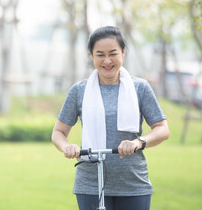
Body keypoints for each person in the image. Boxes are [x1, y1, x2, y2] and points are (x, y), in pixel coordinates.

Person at [51, 26, 169, 210]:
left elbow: (162, 129)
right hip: (90, 184)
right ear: (91, 56)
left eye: (113, 53)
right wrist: (67, 146)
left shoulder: (140, 88)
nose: (107, 60)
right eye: (100, 54)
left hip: (133, 183)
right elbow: (58, 132)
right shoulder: (79, 91)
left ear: (123, 53)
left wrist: (138, 142)